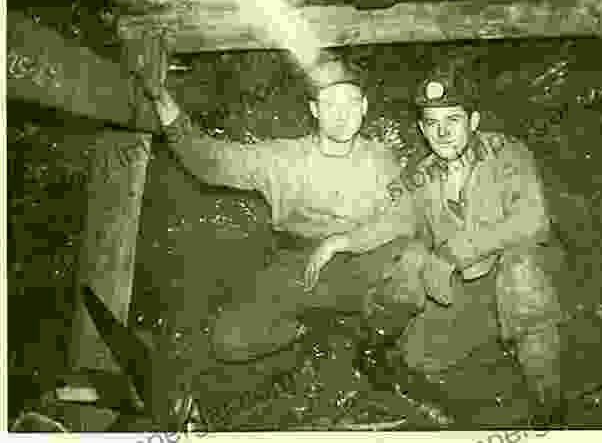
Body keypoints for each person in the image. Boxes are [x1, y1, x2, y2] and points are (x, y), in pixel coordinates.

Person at [146, 53, 423, 372]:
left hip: (359, 264)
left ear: (363, 107)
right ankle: (307, 328)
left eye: (349, 103)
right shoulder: (282, 159)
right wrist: (160, 97)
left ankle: (374, 343)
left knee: (412, 261)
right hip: (298, 264)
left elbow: (404, 218)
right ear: (315, 110)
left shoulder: (379, 160)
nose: (341, 115)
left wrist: (342, 242)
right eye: (330, 104)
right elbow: (209, 160)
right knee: (228, 340)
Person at [378, 60, 568, 424]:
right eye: (432, 124)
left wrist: (453, 253)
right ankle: (500, 338)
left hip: (530, 279)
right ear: (421, 129)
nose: (443, 133)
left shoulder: (507, 154)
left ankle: (551, 408)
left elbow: (534, 221)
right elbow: (396, 226)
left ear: (474, 121)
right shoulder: (420, 176)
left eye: (453, 120)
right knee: (420, 357)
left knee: (521, 273)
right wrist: (340, 240)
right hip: (474, 289)